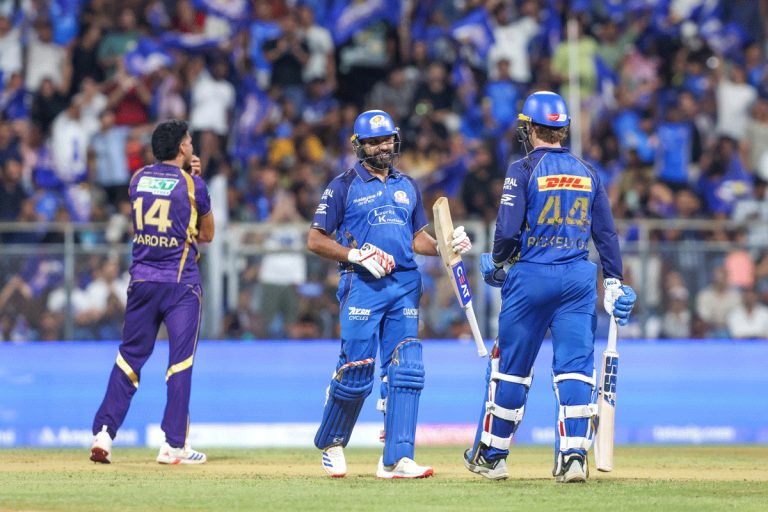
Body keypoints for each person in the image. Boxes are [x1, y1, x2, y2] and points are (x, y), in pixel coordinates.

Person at [463, 91, 636, 483]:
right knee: (575, 369)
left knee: (511, 370)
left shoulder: (522, 169)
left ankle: (493, 456)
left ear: (530, 129)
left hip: (531, 277)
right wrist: (614, 281)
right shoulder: (588, 172)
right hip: (577, 279)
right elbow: (606, 234)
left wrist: (500, 261)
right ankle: (573, 457)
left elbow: (508, 229)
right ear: (564, 129)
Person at [307, 110, 471, 478]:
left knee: (407, 369)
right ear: (359, 146)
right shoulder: (343, 186)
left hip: (404, 286)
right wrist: (354, 255)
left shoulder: (408, 185)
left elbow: (416, 239)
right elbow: (315, 239)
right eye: (374, 141)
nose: (382, 147)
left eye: (386, 140)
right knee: (357, 369)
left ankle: (397, 458)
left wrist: (447, 246)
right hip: (363, 284)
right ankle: (333, 442)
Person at [89, 120, 214, 465]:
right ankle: (173, 445)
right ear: (182, 148)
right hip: (180, 286)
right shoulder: (193, 186)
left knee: (129, 357)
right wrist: (195, 180)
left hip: (142, 281)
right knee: (180, 363)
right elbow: (207, 235)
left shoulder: (137, 179)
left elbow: (159, 199)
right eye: (189, 142)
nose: (192, 146)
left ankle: (103, 434)